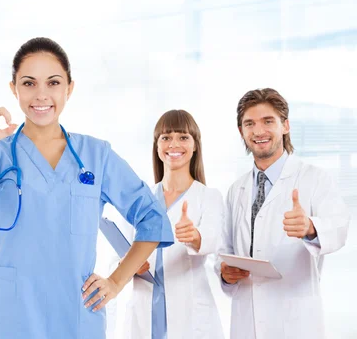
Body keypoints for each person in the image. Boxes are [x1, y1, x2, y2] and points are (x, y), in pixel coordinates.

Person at [0, 37, 174, 339]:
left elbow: (152, 219)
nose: (41, 95)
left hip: (75, 316)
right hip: (10, 316)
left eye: (53, 83)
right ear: (14, 89)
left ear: (70, 88)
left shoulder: (96, 155)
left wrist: (116, 282)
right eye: (29, 83)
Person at [216, 88, 350, 339]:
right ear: (241, 131)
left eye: (268, 121)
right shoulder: (236, 190)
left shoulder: (314, 178)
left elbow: (339, 227)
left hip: (294, 319)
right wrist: (225, 272)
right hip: (246, 319)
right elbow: (224, 249)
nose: (258, 131)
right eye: (249, 124)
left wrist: (310, 227)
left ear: (285, 125)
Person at [124, 110, 225, 339]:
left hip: (190, 312)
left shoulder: (209, 197)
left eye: (183, 137)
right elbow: (119, 253)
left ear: (195, 145)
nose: (174, 144)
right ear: (157, 146)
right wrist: (128, 265)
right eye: (166, 137)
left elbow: (215, 240)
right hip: (145, 306)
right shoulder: (142, 198)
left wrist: (195, 236)